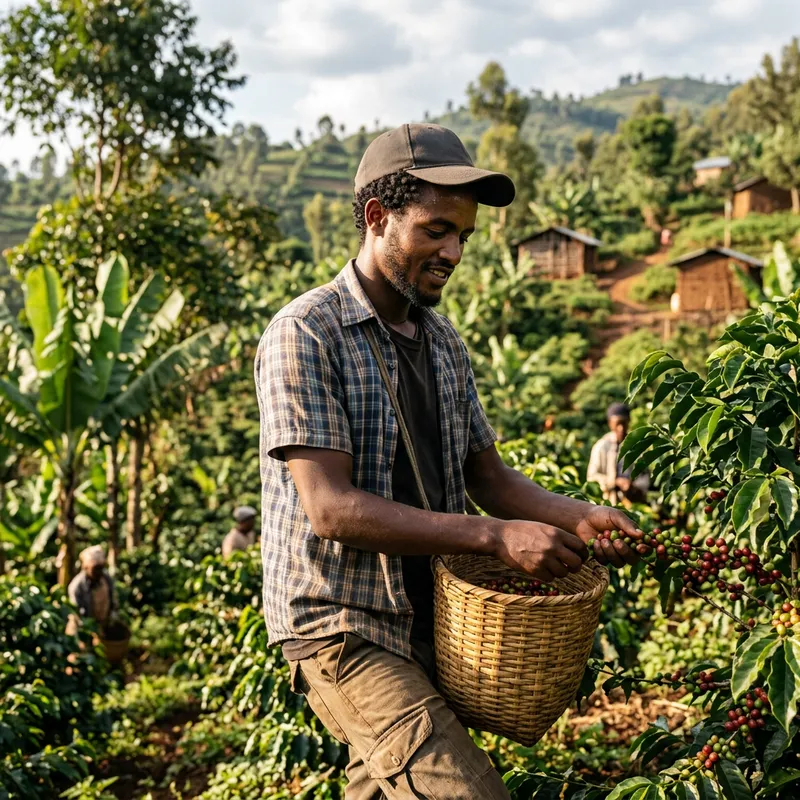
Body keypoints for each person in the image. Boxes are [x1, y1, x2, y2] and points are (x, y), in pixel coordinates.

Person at [255, 123, 644, 800]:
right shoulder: (307, 331)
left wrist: (585, 518)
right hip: (343, 625)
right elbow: (331, 509)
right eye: (436, 230)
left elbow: (486, 477)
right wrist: (493, 535)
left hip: (427, 616)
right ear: (378, 218)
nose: (454, 250)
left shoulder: (442, 345)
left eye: (462, 234)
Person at [587, 402, 650, 504]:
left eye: (624, 423)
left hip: (633, 503)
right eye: (617, 424)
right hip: (607, 502)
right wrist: (614, 482)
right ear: (610, 423)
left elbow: (644, 476)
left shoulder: (637, 446)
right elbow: (592, 476)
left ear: (629, 422)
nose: (621, 428)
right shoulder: (602, 447)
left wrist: (633, 487)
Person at [66, 545, 118, 635]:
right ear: (86, 568)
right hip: (87, 628)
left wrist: (113, 615)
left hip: (105, 623)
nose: (99, 572)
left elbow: (112, 598)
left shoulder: (106, 578)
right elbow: (77, 613)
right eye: (95, 569)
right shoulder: (77, 586)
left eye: (101, 568)